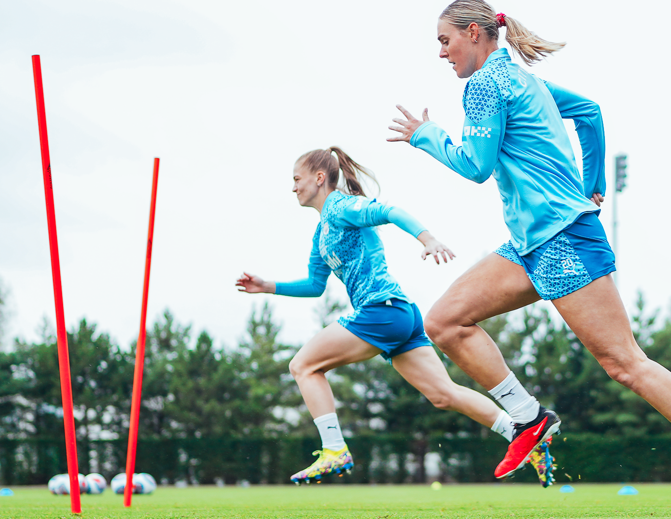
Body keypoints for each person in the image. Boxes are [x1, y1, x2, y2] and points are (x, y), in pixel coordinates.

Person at [386, 0, 671, 513]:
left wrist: (427, 136)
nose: (442, 54)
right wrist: (594, 181)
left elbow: (475, 166)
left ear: (473, 32)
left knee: (624, 363)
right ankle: (530, 417)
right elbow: (589, 111)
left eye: (445, 42)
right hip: (531, 243)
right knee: (446, 321)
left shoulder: (486, 85)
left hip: (562, 239)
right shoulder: (521, 80)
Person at [235, 146, 555, 486]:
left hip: (382, 311)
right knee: (444, 394)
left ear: (318, 178)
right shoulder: (321, 231)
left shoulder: (342, 206)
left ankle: (333, 450)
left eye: (296, 179)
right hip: (399, 315)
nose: (293, 187)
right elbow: (315, 285)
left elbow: (389, 210)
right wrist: (268, 286)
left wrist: (427, 238)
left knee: (303, 366)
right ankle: (523, 437)